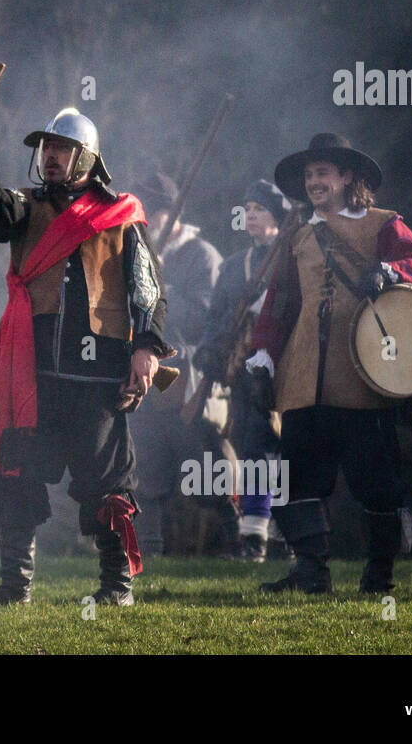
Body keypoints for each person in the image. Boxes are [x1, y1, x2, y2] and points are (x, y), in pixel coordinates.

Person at [0, 107, 173, 605]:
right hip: (34, 376)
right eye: (46, 149)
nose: (50, 157)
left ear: (85, 157)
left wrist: (146, 349)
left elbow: (149, 293)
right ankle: (14, 586)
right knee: (18, 475)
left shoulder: (123, 216)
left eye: (61, 149)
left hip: (97, 380)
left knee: (105, 484)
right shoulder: (26, 207)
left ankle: (116, 586)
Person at [246, 133, 412, 594]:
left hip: (364, 373)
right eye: (310, 175)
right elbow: (279, 303)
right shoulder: (296, 237)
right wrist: (262, 356)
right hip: (303, 376)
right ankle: (310, 572)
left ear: (347, 176)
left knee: (377, 483)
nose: (314, 182)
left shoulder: (384, 224)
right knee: (297, 478)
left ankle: (380, 574)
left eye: (323, 173)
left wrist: (393, 273)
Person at [128, 173, 229, 557]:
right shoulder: (139, 257)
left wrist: (159, 298)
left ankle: (238, 542)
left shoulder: (201, 255)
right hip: (146, 376)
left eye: (157, 213)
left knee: (204, 470)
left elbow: (205, 315)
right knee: (146, 467)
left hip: (187, 378)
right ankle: (149, 552)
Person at [196, 179, 291, 560]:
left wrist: (269, 307)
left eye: (260, 209)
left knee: (285, 450)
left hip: (287, 366)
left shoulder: (294, 258)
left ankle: (286, 531)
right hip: (244, 369)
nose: (251, 215)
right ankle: (254, 532)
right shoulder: (235, 266)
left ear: (277, 216)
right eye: (248, 208)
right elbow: (216, 317)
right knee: (251, 445)